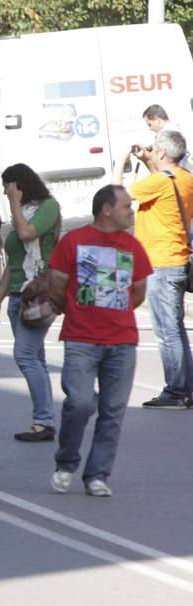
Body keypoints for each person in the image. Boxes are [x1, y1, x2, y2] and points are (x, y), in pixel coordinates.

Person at [47, 185, 150, 497]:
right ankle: (66, 463)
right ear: (107, 209)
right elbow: (56, 285)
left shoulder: (133, 246)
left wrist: (113, 314)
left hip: (122, 341)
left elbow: (138, 292)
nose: (131, 211)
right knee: (79, 403)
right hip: (81, 339)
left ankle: (97, 475)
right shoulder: (74, 241)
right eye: (126, 206)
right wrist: (79, 313)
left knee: (113, 411)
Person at [113, 129, 193, 408]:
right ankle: (185, 389)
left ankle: (176, 392)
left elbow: (115, 197)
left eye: (154, 147)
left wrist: (122, 161)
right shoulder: (184, 177)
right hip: (176, 260)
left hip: (161, 263)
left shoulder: (160, 181)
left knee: (167, 332)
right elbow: (161, 184)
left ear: (162, 151)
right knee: (175, 329)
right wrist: (148, 161)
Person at [0, 163, 62, 441]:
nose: (5, 192)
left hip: (38, 293)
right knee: (36, 358)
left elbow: (27, 233)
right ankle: (45, 420)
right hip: (17, 296)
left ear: (19, 185)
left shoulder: (47, 207)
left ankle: (43, 421)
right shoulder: (19, 214)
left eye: (8, 186)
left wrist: (14, 203)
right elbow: (12, 263)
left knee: (25, 355)